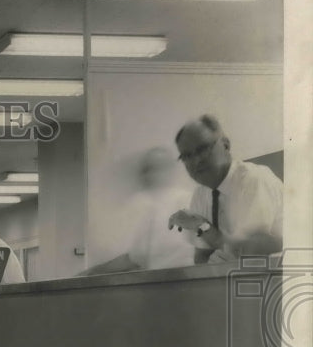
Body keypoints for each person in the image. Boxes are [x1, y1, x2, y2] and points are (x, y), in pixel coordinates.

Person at [168, 114, 284, 265]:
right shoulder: (200, 193)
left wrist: (201, 225)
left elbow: (247, 253)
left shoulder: (254, 179)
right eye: (187, 156)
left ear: (225, 144)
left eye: (202, 149)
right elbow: (201, 258)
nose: (196, 161)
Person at [82, 148, 195, 275]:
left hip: (183, 279)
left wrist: (92, 272)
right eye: (149, 169)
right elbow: (135, 257)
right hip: (154, 281)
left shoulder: (187, 200)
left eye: (158, 168)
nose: (154, 174)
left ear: (170, 170)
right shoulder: (142, 204)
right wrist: (92, 272)